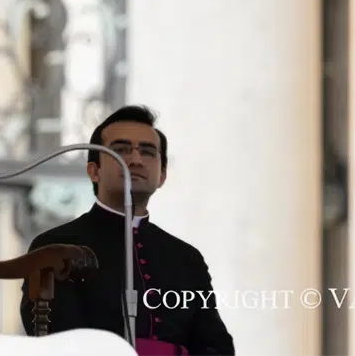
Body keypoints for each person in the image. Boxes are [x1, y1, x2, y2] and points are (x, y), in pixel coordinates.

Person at [20, 106, 235, 355]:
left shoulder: (187, 258)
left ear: (162, 175)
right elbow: (58, 340)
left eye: (147, 152)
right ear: (94, 170)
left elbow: (217, 345)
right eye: (120, 151)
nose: (135, 160)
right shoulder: (54, 246)